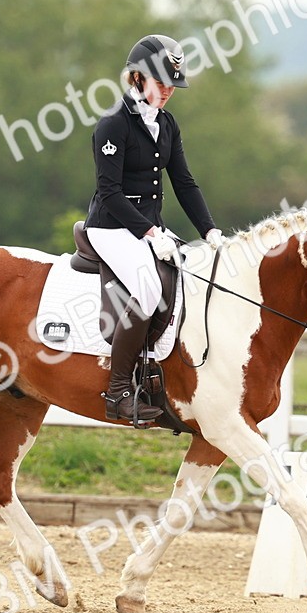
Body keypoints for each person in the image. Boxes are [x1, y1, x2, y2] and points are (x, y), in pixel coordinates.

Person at [84, 34, 224, 424]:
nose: (167, 91)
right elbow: (109, 193)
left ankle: (158, 374)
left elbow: (184, 182)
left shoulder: (166, 123)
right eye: (160, 82)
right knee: (147, 291)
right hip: (112, 228)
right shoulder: (113, 125)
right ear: (136, 78)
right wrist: (149, 233)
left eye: (171, 85)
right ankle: (118, 391)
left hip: (150, 228)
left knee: (188, 279)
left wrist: (211, 232)